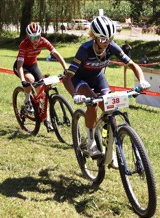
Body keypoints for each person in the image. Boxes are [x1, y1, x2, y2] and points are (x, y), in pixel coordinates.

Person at [62, 16, 151, 166]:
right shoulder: (84, 50)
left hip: (98, 78)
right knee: (92, 103)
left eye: (109, 39)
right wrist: (75, 95)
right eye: (102, 39)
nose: (106, 43)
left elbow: (133, 65)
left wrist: (141, 80)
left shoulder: (112, 47)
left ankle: (111, 149)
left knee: (111, 108)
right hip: (80, 80)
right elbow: (67, 78)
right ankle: (90, 142)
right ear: (94, 36)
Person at [13, 23, 67, 127]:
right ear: (28, 37)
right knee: (31, 80)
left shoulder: (43, 41)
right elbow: (19, 64)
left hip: (33, 65)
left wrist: (66, 68)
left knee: (41, 92)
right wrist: (23, 80)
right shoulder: (24, 44)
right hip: (22, 66)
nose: (36, 40)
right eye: (33, 37)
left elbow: (56, 54)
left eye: (37, 36)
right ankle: (27, 102)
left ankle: (45, 118)